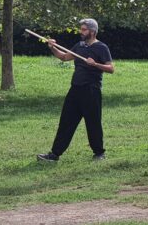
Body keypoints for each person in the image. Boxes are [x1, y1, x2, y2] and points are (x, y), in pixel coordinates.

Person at [37, 18, 114, 162]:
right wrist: (52, 47)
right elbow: (64, 57)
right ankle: (54, 154)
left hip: (91, 90)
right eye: (81, 29)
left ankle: (99, 153)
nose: (81, 31)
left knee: (93, 122)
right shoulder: (79, 46)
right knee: (66, 122)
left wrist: (95, 64)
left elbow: (111, 69)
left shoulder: (101, 48)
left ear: (92, 31)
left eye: (84, 29)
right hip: (75, 90)